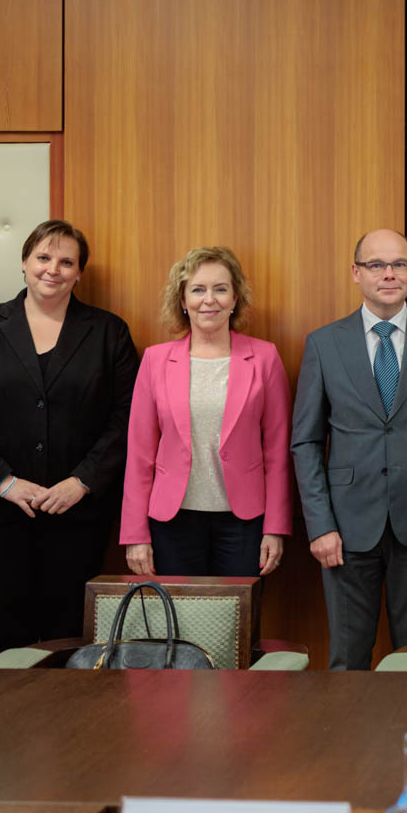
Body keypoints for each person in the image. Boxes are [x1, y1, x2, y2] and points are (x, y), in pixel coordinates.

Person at [0, 220, 140, 662]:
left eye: (66, 262)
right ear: (25, 263)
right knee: (3, 634)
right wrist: (3, 482)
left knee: (70, 637)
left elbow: (128, 417)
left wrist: (82, 481)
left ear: (79, 273)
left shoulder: (109, 332)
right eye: (43, 257)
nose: (53, 269)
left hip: (78, 513)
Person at [292, 229, 407, 670]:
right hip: (345, 529)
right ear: (356, 273)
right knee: (347, 661)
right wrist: (320, 525)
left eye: (399, 264)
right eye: (376, 264)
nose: (389, 274)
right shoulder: (324, 343)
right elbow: (306, 442)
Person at [121, 246, 293, 578]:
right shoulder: (156, 361)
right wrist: (135, 534)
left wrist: (276, 527)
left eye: (220, 289)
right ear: (183, 301)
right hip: (172, 521)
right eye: (198, 289)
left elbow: (278, 451)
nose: (209, 300)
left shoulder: (265, 358)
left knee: (237, 611)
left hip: (244, 523)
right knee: (178, 611)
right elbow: (139, 454)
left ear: (235, 298)